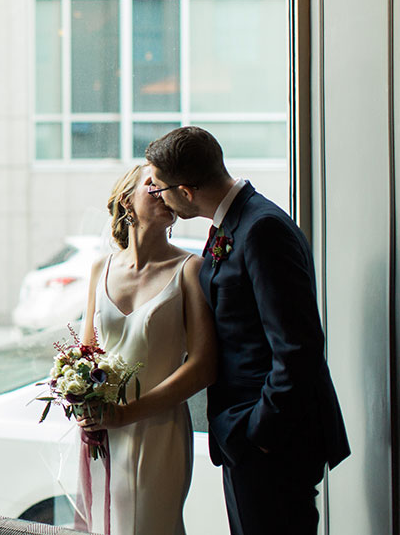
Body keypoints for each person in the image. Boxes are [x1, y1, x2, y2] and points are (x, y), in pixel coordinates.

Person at [144, 126, 350, 535]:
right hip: (245, 440)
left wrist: (259, 434)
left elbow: (298, 348)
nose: (156, 196)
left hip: (272, 442)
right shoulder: (232, 224)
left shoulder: (262, 229)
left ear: (185, 191)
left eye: (159, 189)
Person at [74, 164, 218, 535]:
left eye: (169, 184)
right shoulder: (99, 269)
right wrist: (80, 399)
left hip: (159, 431)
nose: (164, 191)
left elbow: (203, 366)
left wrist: (127, 414)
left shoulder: (190, 270)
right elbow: (86, 354)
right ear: (127, 200)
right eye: (153, 185)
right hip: (103, 430)